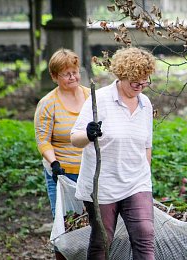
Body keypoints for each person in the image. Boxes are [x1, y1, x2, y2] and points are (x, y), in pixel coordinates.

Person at [70, 47, 156, 259]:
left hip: (136, 183)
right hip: (103, 185)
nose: (141, 87)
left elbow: (147, 145)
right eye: (135, 82)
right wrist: (89, 134)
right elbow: (74, 138)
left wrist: (144, 176)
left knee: (145, 235)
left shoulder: (145, 103)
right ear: (122, 76)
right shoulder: (99, 99)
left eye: (145, 82)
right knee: (103, 241)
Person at [34, 48, 89, 259]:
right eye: (66, 74)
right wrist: (54, 163)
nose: (73, 77)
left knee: (92, 221)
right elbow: (43, 140)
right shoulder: (48, 104)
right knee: (65, 224)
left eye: (75, 71)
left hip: (89, 171)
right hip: (61, 174)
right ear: (54, 76)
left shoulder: (90, 96)